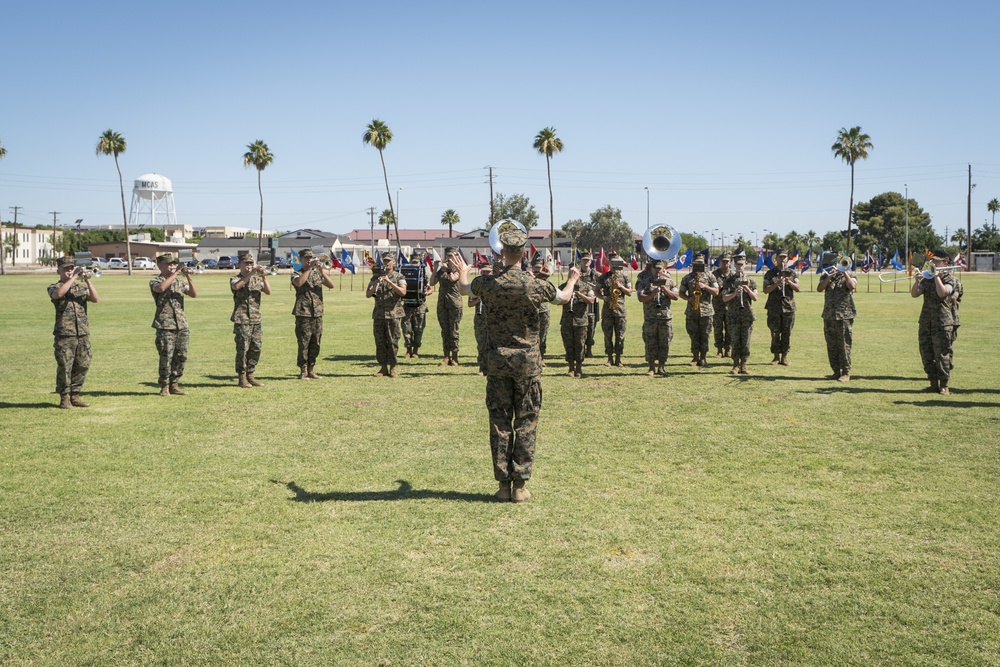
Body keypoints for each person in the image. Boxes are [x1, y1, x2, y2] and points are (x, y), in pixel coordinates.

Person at [453, 221, 580, 503]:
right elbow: (564, 298)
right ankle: (520, 486)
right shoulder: (537, 285)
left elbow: (464, 290)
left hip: (497, 363)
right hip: (527, 365)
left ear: (502, 251)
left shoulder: (487, 283)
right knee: (526, 422)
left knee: (499, 422)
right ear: (523, 252)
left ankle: (502, 487)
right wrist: (572, 279)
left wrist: (463, 272)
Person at [49, 256, 99, 409]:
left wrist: (87, 280)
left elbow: (95, 299)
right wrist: (74, 277)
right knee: (65, 366)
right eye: (66, 269)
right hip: (65, 334)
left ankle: (75, 395)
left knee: (83, 364)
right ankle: (64, 397)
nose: (69, 271)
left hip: (82, 333)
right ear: (59, 270)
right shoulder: (54, 286)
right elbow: (58, 294)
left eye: (71, 268)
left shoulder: (80, 288)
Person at [910, 249, 957, 395]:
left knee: (942, 353)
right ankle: (933, 383)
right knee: (926, 352)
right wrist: (918, 281)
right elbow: (914, 294)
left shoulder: (950, 279)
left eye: (937, 261)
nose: (933, 262)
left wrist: (937, 277)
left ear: (945, 263)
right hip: (926, 321)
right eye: (933, 260)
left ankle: (944, 385)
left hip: (942, 321)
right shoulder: (927, 277)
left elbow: (943, 293)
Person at [151, 252, 197, 396]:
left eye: (173, 264)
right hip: (165, 324)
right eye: (168, 264)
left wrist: (188, 276)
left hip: (181, 324)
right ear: (160, 265)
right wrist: (177, 272)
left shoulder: (179, 282)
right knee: (166, 356)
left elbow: (194, 294)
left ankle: (175, 383)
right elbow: (161, 288)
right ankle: (164, 385)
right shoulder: (155, 281)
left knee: (181, 355)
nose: (171, 266)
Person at [291, 248, 335, 379]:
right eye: (306, 258)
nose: (309, 260)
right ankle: (303, 370)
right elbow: (299, 283)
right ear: (301, 259)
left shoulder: (317, 274)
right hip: (303, 313)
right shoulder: (296, 273)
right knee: (304, 343)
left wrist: (321, 270)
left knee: (316, 342)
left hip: (317, 313)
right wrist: (309, 269)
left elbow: (331, 285)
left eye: (311, 258)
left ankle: (311, 369)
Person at [230, 251, 272, 388]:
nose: (249, 266)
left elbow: (268, 291)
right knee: (243, 349)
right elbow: (236, 287)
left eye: (251, 263)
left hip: (255, 319)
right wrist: (250, 273)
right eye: (246, 263)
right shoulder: (235, 278)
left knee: (256, 347)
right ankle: (242, 377)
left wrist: (263, 277)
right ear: (240, 265)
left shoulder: (256, 279)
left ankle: (250, 374)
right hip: (242, 318)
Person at [366, 251, 408, 377]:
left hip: (393, 314)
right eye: (384, 260)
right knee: (380, 341)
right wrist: (375, 284)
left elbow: (403, 292)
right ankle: (383, 367)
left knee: (393, 341)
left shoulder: (399, 276)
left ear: (393, 262)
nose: (386, 263)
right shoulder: (375, 277)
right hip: (379, 314)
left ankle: (393, 367)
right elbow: (368, 294)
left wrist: (389, 282)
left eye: (389, 261)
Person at [817, 252, 857, 382]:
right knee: (831, 344)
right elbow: (820, 288)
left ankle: (845, 372)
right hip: (829, 315)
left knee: (844, 344)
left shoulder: (850, 274)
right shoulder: (827, 274)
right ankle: (835, 371)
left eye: (840, 262)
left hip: (844, 315)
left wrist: (844, 272)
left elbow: (852, 286)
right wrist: (830, 276)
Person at [635, 259, 679, 376]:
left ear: (663, 269)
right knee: (650, 342)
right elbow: (640, 297)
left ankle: (661, 367)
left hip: (665, 318)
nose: (658, 271)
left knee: (664, 343)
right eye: (655, 269)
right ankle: (651, 368)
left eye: (660, 268)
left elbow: (676, 296)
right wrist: (652, 294)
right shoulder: (645, 282)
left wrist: (665, 289)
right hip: (650, 318)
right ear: (652, 269)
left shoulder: (670, 282)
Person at [678, 256, 720, 367]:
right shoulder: (687, 278)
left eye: (701, 263)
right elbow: (681, 293)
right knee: (693, 334)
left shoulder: (710, 276)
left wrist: (705, 286)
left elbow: (716, 292)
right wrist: (688, 298)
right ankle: (695, 357)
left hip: (706, 311)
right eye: (697, 263)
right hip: (692, 311)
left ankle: (703, 358)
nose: (699, 265)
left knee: (705, 334)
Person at [721, 250, 757, 374]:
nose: (740, 266)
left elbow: (755, 297)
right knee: (735, 341)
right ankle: (735, 365)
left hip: (747, 315)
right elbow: (724, 298)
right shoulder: (729, 281)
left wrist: (746, 288)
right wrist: (735, 293)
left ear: (745, 264)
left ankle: (744, 364)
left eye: (742, 264)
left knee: (746, 341)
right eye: (737, 264)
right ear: (734, 265)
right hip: (733, 315)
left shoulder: (751, 281)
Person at [762, 249, 800, 365]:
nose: (782, 259)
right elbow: (765, 290)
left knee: (787, 332)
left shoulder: (792, 273)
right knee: (775, 332)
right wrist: (776, 284)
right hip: (774, 307)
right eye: (780, 257)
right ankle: (776, 356)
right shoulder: (770, 274)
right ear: (776, 259)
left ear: (787, 259)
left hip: (788, 307)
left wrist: (789, 282)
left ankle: (785, 356)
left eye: (784, 257)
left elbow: (798, 288)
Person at [559, 263, 596, 377]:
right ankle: (571, 368)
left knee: (580, 345)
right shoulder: (563, 287)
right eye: (571, 272)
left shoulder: (587, 287)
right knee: (568, 344)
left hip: (581, 322)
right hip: (567, 321)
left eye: (574, 273)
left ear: (579, 274)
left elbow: (592, 300)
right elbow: (558, 300)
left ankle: (579, 368)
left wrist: (579, 294)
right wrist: (568, 294)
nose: (572, 274)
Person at [596, 253, 632, 367]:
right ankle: (609, 358)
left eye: (616, 263)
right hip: (607, 310)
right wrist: (603, 297)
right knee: (607, 335)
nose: (614, 265)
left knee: (620, 335)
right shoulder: (603, 277)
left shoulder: (625, 276)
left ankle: (619, 358)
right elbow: (596, 290)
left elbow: (630, 292)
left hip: (620, 310)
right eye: (612, 263)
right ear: (609, 264)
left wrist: (620, 286)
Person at [430, 246, 463, 365]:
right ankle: (446, 356)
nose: (450, 258)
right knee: (445, 330)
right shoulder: (441, 270)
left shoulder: (458, 269)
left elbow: (453, 278)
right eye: (448, 256)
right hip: (442, 303)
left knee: (453, 330)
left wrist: (448, 269)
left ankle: (455, 356)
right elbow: (432, 282)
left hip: (454, 303)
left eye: (452, 256)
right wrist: (435, 269)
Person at [402, 250, 433, 359]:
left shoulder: (424, 273)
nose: (415, 264)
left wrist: (427, 292)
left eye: (417, 262)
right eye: (413, 262)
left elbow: (431, 288)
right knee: (406, 328)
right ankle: (408, 350)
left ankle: (415, 350)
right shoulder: (404, 272)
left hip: (420, 305)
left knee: (419, 328)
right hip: (407, 305)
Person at [468, 263, 493, 375]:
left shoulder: (495, 284)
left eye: (488, 272)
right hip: (480, 318)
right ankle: (483, 368)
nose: (486, 274)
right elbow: (470, 304)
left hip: (493, 318)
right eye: (484, 272)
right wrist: (477, 300)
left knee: (493, 343)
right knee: (481, 343)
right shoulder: (476, 285)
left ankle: (493, 368)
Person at [712, 252, 734, 358]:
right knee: (717, 328)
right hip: (718, 305)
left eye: (727, 261)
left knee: (729, 328)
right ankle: (719, 350)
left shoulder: (733, 275)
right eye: (723, 261)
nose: (725, 263)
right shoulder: (714, 274)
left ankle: (728, 349)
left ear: (730, 262)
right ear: (719, 262)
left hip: (730, 306)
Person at [578, 252, 600, 357]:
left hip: (592, 304)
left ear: (591, 261)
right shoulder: (577, 273)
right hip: (579, 304)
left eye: (588, 260)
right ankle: (580, 349)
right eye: (584, 260)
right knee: (580, 328)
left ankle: (589, 349)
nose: (586, 262)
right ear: (580, 261)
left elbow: (603, 284)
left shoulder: (595, 274)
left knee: (591, 327)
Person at [532, 258, 552, 365]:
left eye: (539, 268)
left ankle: (541, 357)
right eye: (535, 268)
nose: (537, 270)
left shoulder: (546, 281)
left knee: (543, 335)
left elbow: (551, 295)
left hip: (543, 311)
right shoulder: (528, 279)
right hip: (531, 311)